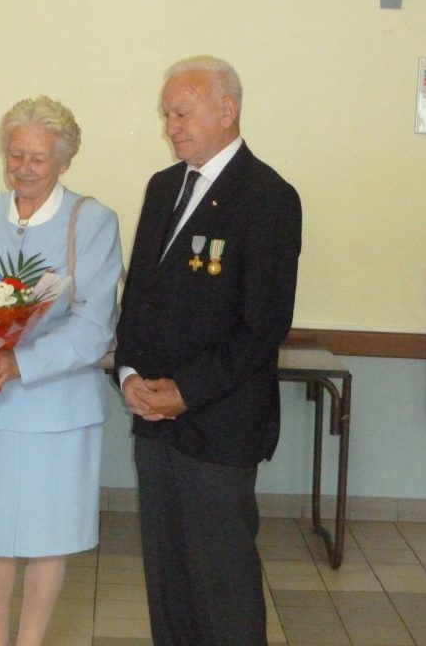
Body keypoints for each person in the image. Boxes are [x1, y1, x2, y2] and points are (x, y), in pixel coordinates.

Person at [115, 56, 302, 645]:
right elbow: (138, 296)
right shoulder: (163, 187)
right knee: (167, 579)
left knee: (223, 583)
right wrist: (126, 375)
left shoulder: (269, 196)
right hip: (153, 419)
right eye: (166, 114)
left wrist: (186, 392)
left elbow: (263, 324)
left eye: (182, 112)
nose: (171, 125)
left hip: (219, 424)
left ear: (227, 111)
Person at [0, 96, 123, 646]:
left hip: (57, 405)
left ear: (65, 162)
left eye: (38, 159)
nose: (23, 168)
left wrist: (17, 362)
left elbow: (96, 325)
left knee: (49, 534)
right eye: (15, 155)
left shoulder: (92, 220)